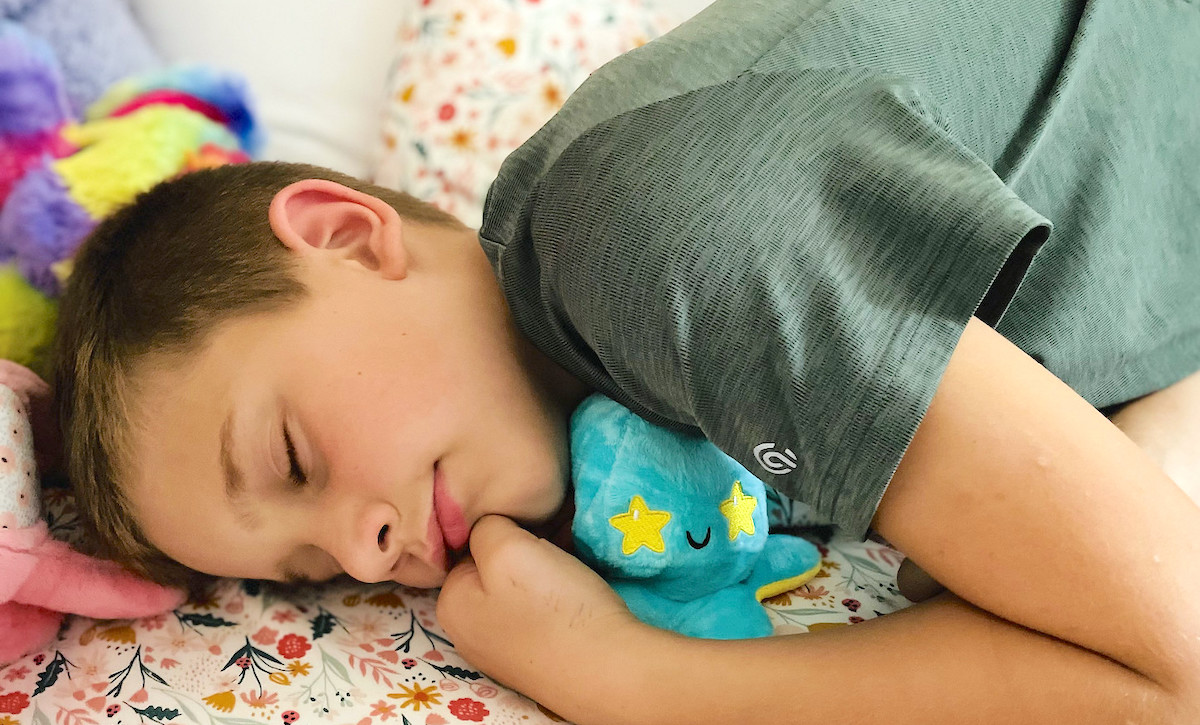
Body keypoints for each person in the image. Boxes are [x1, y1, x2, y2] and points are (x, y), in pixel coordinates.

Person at [49, 0, 1200, 722]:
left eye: (294, 459)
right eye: (306, 570)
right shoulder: (637, 439)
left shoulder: (645, 235)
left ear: (347, 235)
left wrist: (628, 680)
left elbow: (1177, 663)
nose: (365, 547)